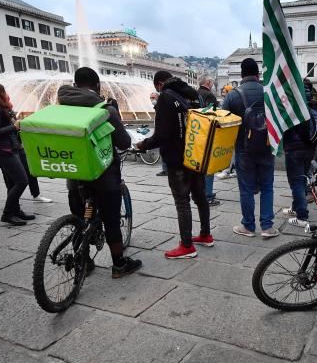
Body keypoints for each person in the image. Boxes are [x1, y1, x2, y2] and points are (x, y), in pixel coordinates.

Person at [57, 67, 143, 278]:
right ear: (97, 86)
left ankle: (83, 261)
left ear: (75, 85)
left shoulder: (61, 107)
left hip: (74, 175)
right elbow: (124, 141)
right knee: (111, 220)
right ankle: (119, 265)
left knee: (80, 219)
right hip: (104, 177)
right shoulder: (105, 110)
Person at [137, 70, 213, 259]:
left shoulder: (166, 98)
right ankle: (205, 234)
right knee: (200, 197)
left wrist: (143, 144)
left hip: (177, 158)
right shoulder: (193, 95)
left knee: (182, 202)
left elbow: (162, 135)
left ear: (159, 84)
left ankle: (187, 246)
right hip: (196, 155)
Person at [220, 58, 278, 239]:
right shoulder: (268, 92)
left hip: (244, 149)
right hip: (267, 147)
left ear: (242, 73)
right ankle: (267, 227)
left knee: (246, 189)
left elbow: (222, 121)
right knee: (267, 187)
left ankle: (248, 225)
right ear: (258, 74)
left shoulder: (233, 95)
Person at [0, 83, 37, 225]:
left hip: (10, 148)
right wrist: (14, 126)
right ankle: (7, 213)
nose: (6, 94)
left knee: (12, 182)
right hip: (4, 150)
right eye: (3, 91)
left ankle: (16, 210)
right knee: (22, 181)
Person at [280, 79, 316, 227]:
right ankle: (296, 208)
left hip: (294, 147)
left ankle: (302, 216)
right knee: (301, 179)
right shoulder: (313, 104)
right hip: (309, 147)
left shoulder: (292, 105)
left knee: (296, 181)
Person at [197, 77, 221, 207]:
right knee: (208, 166)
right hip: (207, 134)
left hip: (196, 134)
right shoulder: (209, 95)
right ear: (208, 83)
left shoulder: (195, 93)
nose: (212, 85)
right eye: (212, 83)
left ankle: (199, 192)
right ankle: (208, 195)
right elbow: (213, 114)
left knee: (199, 166)